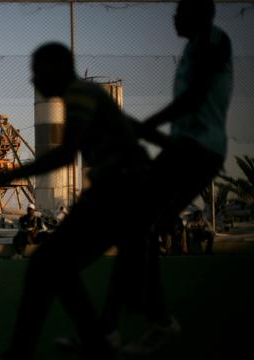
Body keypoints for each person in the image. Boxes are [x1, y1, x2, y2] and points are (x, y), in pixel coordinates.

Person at [0, 42, 154, 359]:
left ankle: (31, 349)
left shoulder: (79, 95)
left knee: (48, 264)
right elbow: (130, 126)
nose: (32, 80)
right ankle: (92, 344)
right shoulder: (88, 95)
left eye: (37, 71)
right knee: (54, 266)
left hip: (119, 191)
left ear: (58, 68)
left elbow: (66, 153)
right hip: (121, 190)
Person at [91, 1, 232, 355]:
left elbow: (194, 98)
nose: (173, 17)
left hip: (197, 150)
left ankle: (142, 321)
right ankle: (127, 323)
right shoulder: (191, 48)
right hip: (185, 148)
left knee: (137, 225)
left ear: (202, 14)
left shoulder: (213, 42)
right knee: (137, 227)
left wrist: (145, 126)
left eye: (181, 11)